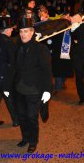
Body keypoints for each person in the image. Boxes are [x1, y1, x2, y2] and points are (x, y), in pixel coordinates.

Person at [14, 18, 52, 153]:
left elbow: (47, 71)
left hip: (34, 89)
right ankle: (25, 137)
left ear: (32, 32)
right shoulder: (17, 47)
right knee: (22, 116)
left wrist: (47, 90)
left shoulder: (41, 49)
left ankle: (33, 141)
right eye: (21, 31)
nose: (23, 34)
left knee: (31, 117)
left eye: (26, 31)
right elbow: (14, 68)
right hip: (19, 88)